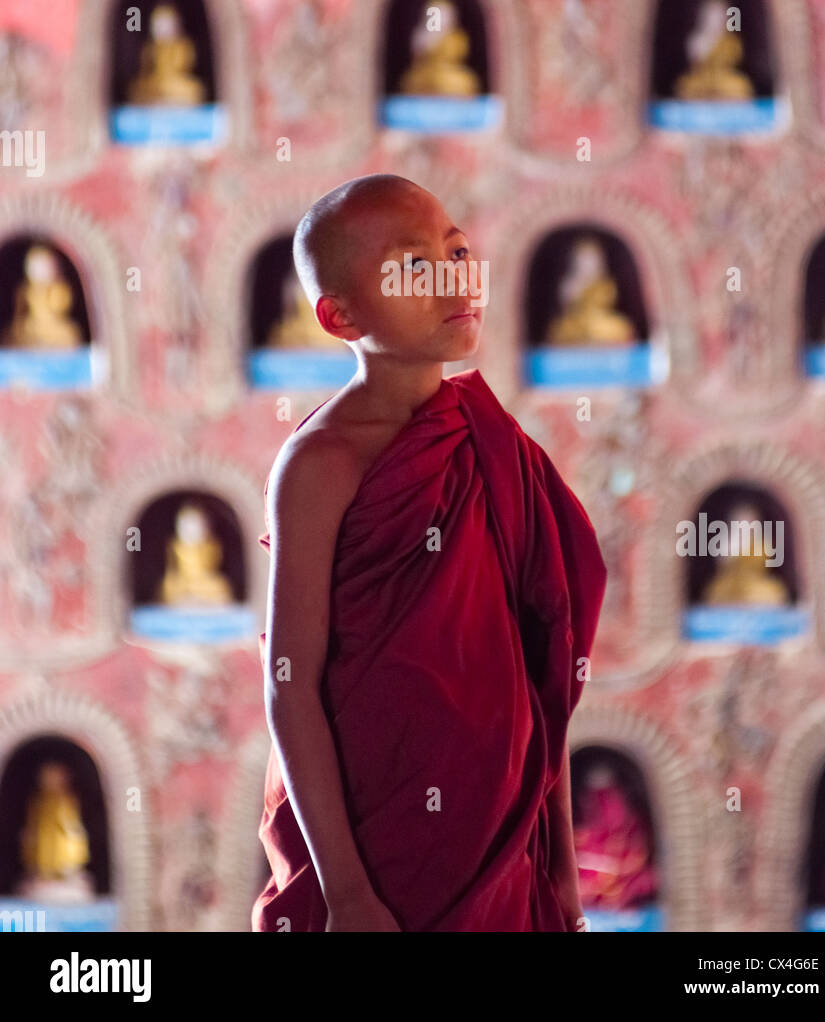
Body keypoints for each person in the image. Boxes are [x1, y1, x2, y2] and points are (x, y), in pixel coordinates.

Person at [252, 174, 607, 932]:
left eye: (457, 251)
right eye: (413, 268)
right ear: (337, 315)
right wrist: (346, 892)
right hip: (375, 851)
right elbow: (291, 685)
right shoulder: (323, 462)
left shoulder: (495, 447)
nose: (453, 278)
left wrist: (559, 873)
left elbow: (542, 681)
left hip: (499, 848)